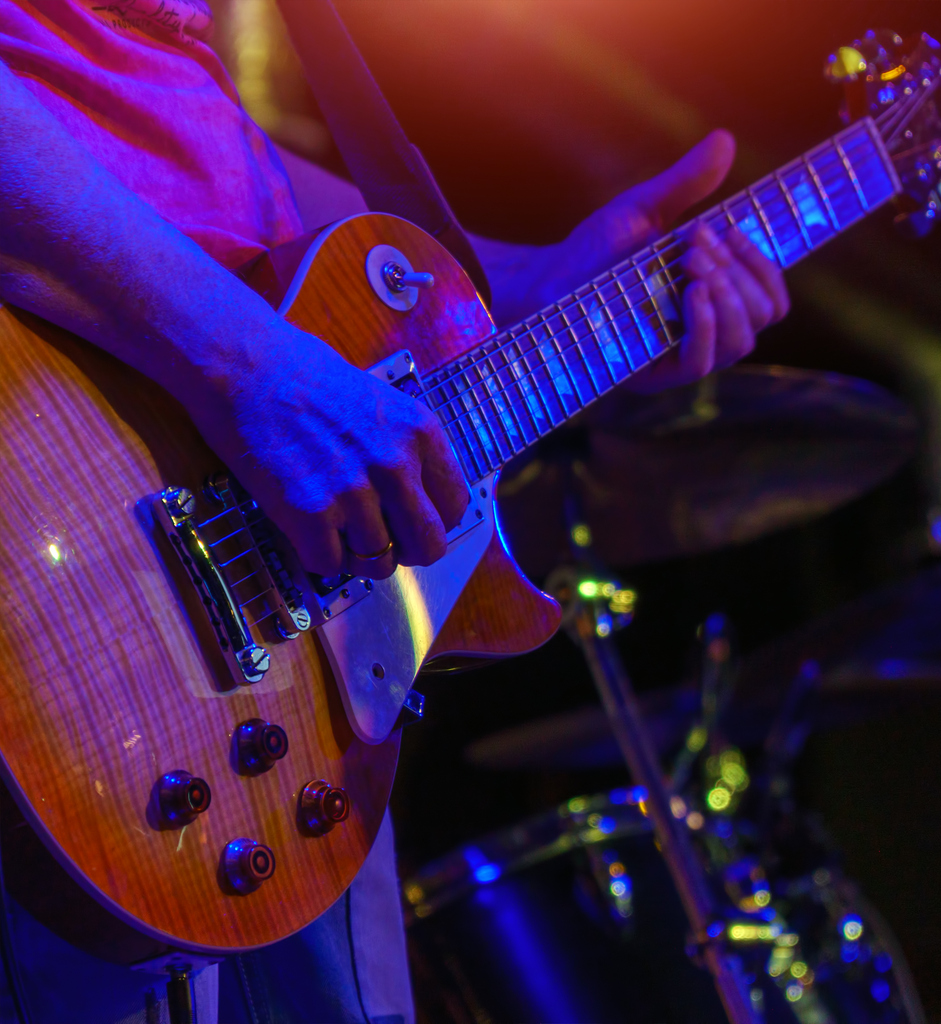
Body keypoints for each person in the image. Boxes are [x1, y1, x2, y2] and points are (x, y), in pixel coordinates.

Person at [0, 1, 788, 1021]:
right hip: (65, 488)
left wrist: (527, 282)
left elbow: (186, 145)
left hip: (271, 631)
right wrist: (247, 362)